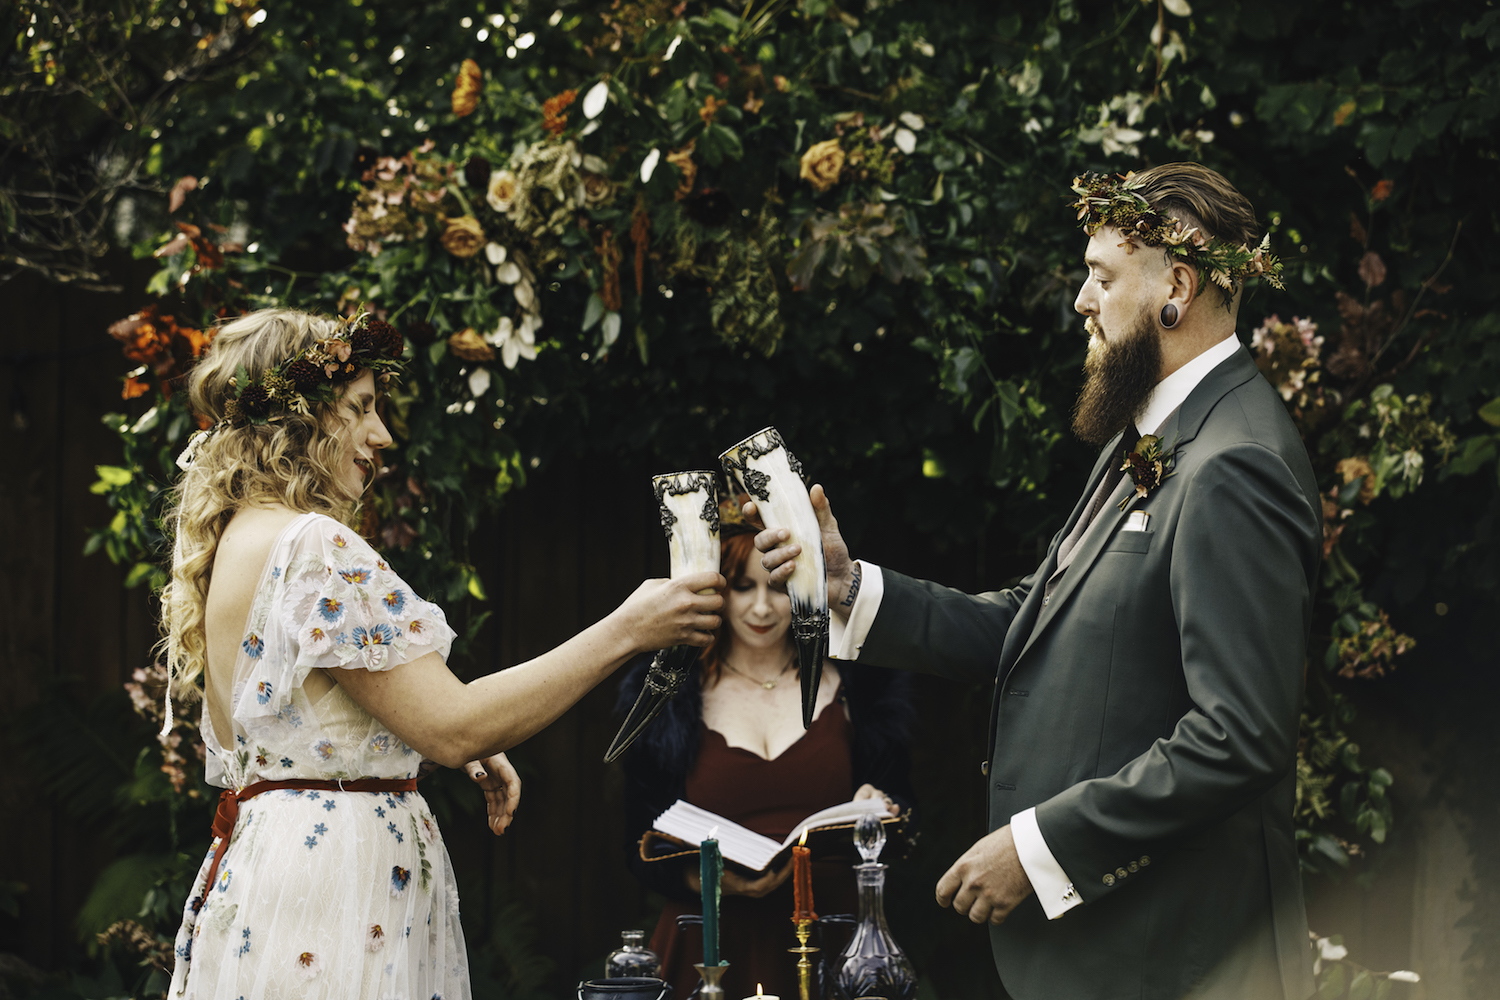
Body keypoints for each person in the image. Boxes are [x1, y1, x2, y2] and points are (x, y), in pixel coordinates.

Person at [754, 163, 1320, 1000]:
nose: (1083, 303)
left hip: (1175, 960)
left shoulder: (1235, 463)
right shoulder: (1152, 437)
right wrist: (851, 588)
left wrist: (1040, 846)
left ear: (1179, 288)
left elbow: (1240, 735)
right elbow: (1041, 616)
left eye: (1102, 278)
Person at [162, 308, 723, 1000]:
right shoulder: (311, 544)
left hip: (272, 883)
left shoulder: (241, 543)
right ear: (302, 418)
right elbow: (454, 723)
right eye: (361, 408)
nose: (382, 435)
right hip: (338, 896)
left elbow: (312, 729)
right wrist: (629, 628)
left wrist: (403, 742)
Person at [618, 502, 915, 1000]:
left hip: (833, 941)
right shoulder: (669, 697)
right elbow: (637, 845)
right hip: (707, 944)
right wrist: (710, 882)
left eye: (778, 587)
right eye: (742, 586)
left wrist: (880, 809)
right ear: (716, 590)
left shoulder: (862, 691)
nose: (761, 608)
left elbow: (905, 819)